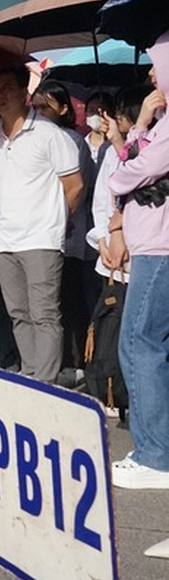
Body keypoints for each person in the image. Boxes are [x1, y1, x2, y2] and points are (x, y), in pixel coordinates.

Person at [0, 66, 83, 384]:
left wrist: (57, 219)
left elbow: (74, 185)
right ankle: (29, 375)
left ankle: (46, 382)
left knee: (45, 315)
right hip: (5, 240)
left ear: (25, 90)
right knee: (18, 315)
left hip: (41, 238)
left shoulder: (50, 134)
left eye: (6, 87)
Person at [108, 30, 169, 489]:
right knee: (141, 346)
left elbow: (133, 170)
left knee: (140, 346)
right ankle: (153, 445)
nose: (151, 74)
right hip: (149, 244)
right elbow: (127, 160)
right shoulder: (161, 121)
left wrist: (125, 171)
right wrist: (143, 124)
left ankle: (155, 456)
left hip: (159, 247)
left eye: (157, 62)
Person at [30, 80, 97, 375]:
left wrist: (64, 216)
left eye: (46, 107)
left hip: (67, 231)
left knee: (69, 299)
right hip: (36, 231)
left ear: (65, 109)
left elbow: (78, 187)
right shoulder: (30, 138)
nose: (40, 112)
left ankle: (74, 360)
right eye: (36, 107)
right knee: (45, 303)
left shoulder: (71, 139)